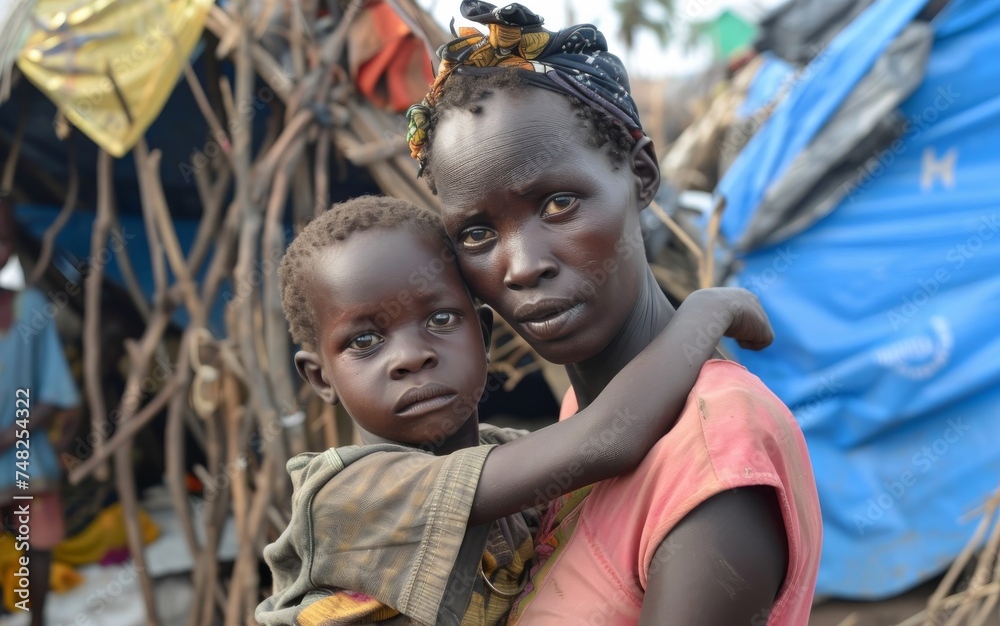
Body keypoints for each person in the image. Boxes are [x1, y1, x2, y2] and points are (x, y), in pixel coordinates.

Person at [408, 0, 823, 624]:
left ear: (642, 175)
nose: (521, 266)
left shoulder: (714, 450)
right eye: (476, 235)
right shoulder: (588, 413)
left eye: (558, 203)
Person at [255, 195, 773, 625]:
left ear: (482, 334)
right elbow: (611, 438)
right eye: (365, 340)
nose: (412, 356)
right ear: (321, 376)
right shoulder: (346, 494)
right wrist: (706, 312)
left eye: (439, 319)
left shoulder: (512, 465)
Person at [0, 196, 81, 626]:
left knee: (37, 545)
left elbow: (55, 394)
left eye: (2, 240)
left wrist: (12, 433)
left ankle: (37, 620)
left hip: (24, 455)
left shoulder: (32, 308)